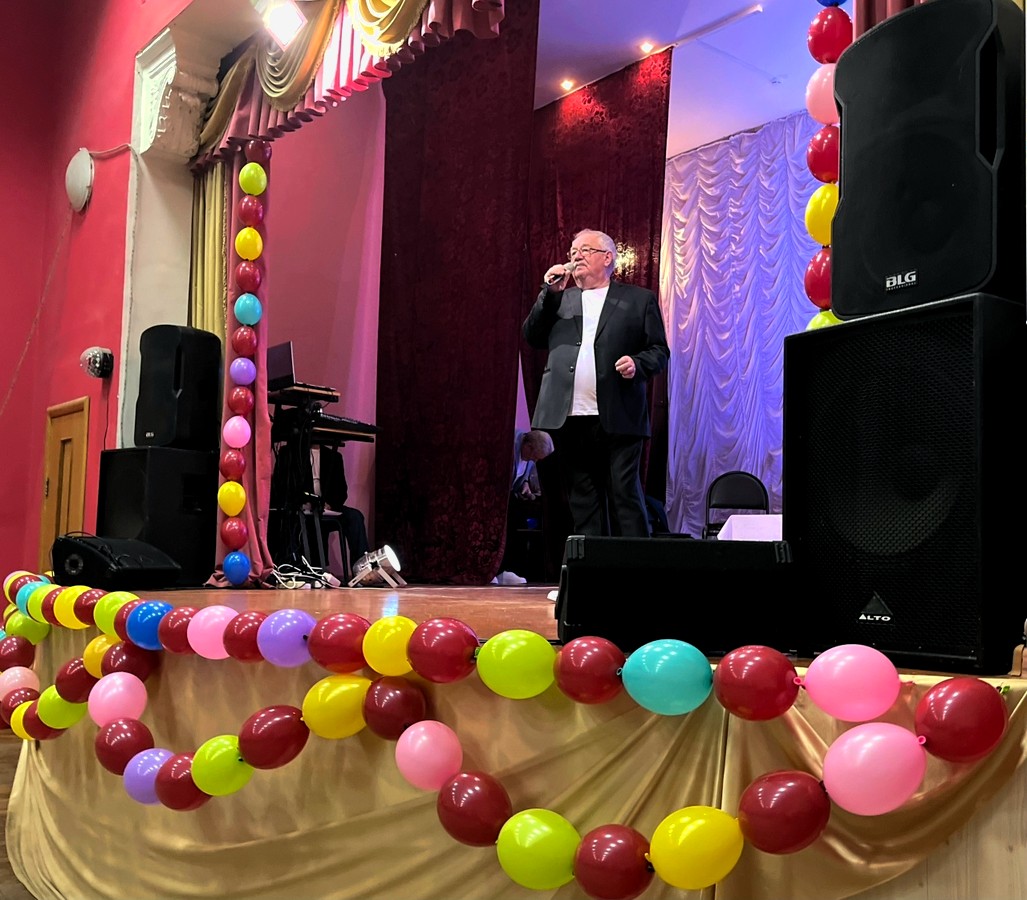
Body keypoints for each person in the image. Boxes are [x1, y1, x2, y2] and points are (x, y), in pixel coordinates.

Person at [523, 229, 669, 537]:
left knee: (624, 495)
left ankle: (637, 563)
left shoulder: (638, 299)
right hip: (569, 415)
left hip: (620, 413)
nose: (576, 256)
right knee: (583, 500)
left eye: (585, 250)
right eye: (572, 252)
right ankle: (592, 565)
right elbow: (532, 336)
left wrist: (637, 363)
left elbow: (659, 351)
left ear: (607, 258)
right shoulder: (559, 300)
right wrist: (548, 294)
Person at [492, 429, 555, 585]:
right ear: (528, 446)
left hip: (510, 498)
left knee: (519, 524)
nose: (534, 461)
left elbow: (522, 474)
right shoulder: (509, 446)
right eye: (534, 457)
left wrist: (525, 483)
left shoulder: (528, 454)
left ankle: (508, 570)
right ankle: (494, 570)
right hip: (496, 499)